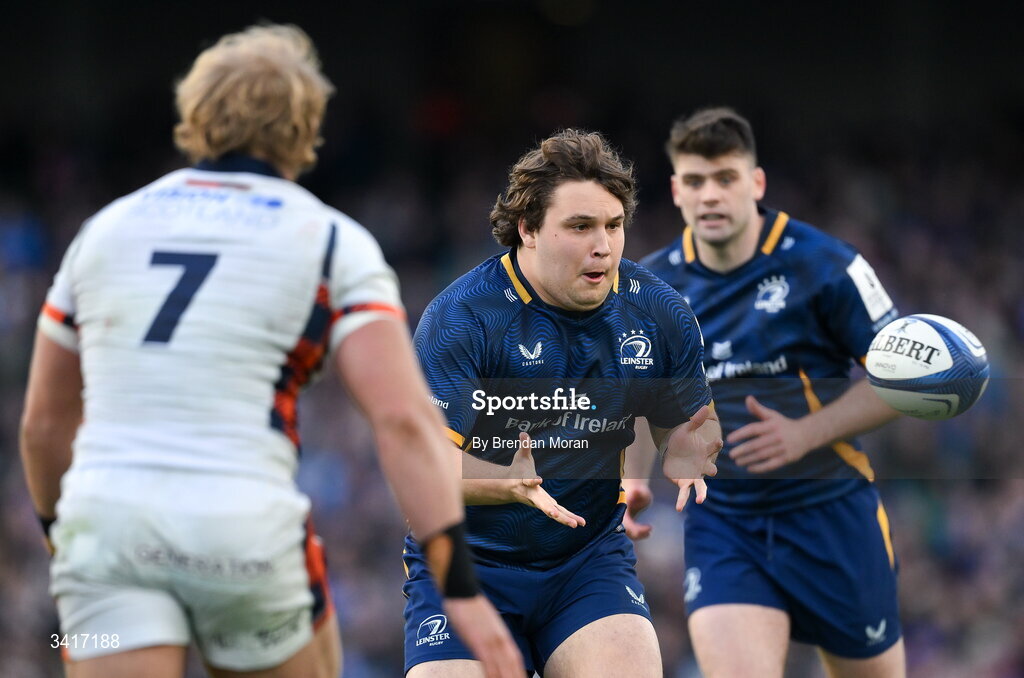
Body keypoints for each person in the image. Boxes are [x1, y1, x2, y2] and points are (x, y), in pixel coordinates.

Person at [19, 24, 523, 678]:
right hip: (241, 528)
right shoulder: (330, 239)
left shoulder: (105, 230)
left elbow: (43, 424)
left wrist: (70, 541)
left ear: (194, 114)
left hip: (109, 525)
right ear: (305, 125)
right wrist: (460, 589)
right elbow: (402, 420)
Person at [402, 129, 722, 677]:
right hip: (468, 564)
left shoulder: (658, 310)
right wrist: (506, 483)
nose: (603, 246)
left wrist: (686, 449)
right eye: (580, 227)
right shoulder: (461, 318)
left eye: (614, 226)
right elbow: (418, 476)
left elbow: (692, 422)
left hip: (586, 563)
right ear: (527, 229)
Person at [626, 107, 906, 677]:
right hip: (726, 523)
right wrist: (630, 477)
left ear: (755, 183)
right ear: (677, 191)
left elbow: (897, 379)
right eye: (697, 182)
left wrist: (806, 432)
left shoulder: (826, 265)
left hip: (831, 513)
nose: (711, 196)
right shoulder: (650, 288)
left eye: (726, 178)